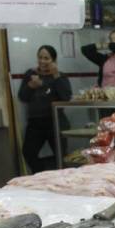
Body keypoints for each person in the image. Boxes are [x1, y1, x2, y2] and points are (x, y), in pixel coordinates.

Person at [18, 45, 72, 173]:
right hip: (35, 122)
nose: (42, 61)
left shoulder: (60, 76)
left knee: (60, 156)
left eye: (46, 58)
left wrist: (56, 75)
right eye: (40, 57)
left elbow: (66, 97)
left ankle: (62, 180)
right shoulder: (30, 74)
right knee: (28, 153)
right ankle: (41, 176)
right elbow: (23, 97)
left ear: (53, 60)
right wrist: (31, 86)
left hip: (56, 122)